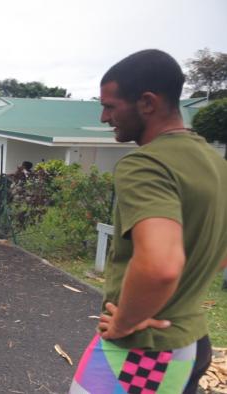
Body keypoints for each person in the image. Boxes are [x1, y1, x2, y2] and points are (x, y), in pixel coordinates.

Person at [70, 50, 227, 393]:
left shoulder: (146, 165)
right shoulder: (215, 164)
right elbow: (220, 253)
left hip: (146, 349)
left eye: (111, 106)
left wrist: (126, 321)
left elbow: (160, 267)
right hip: (193, 340)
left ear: (147, 103)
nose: (103, 117)